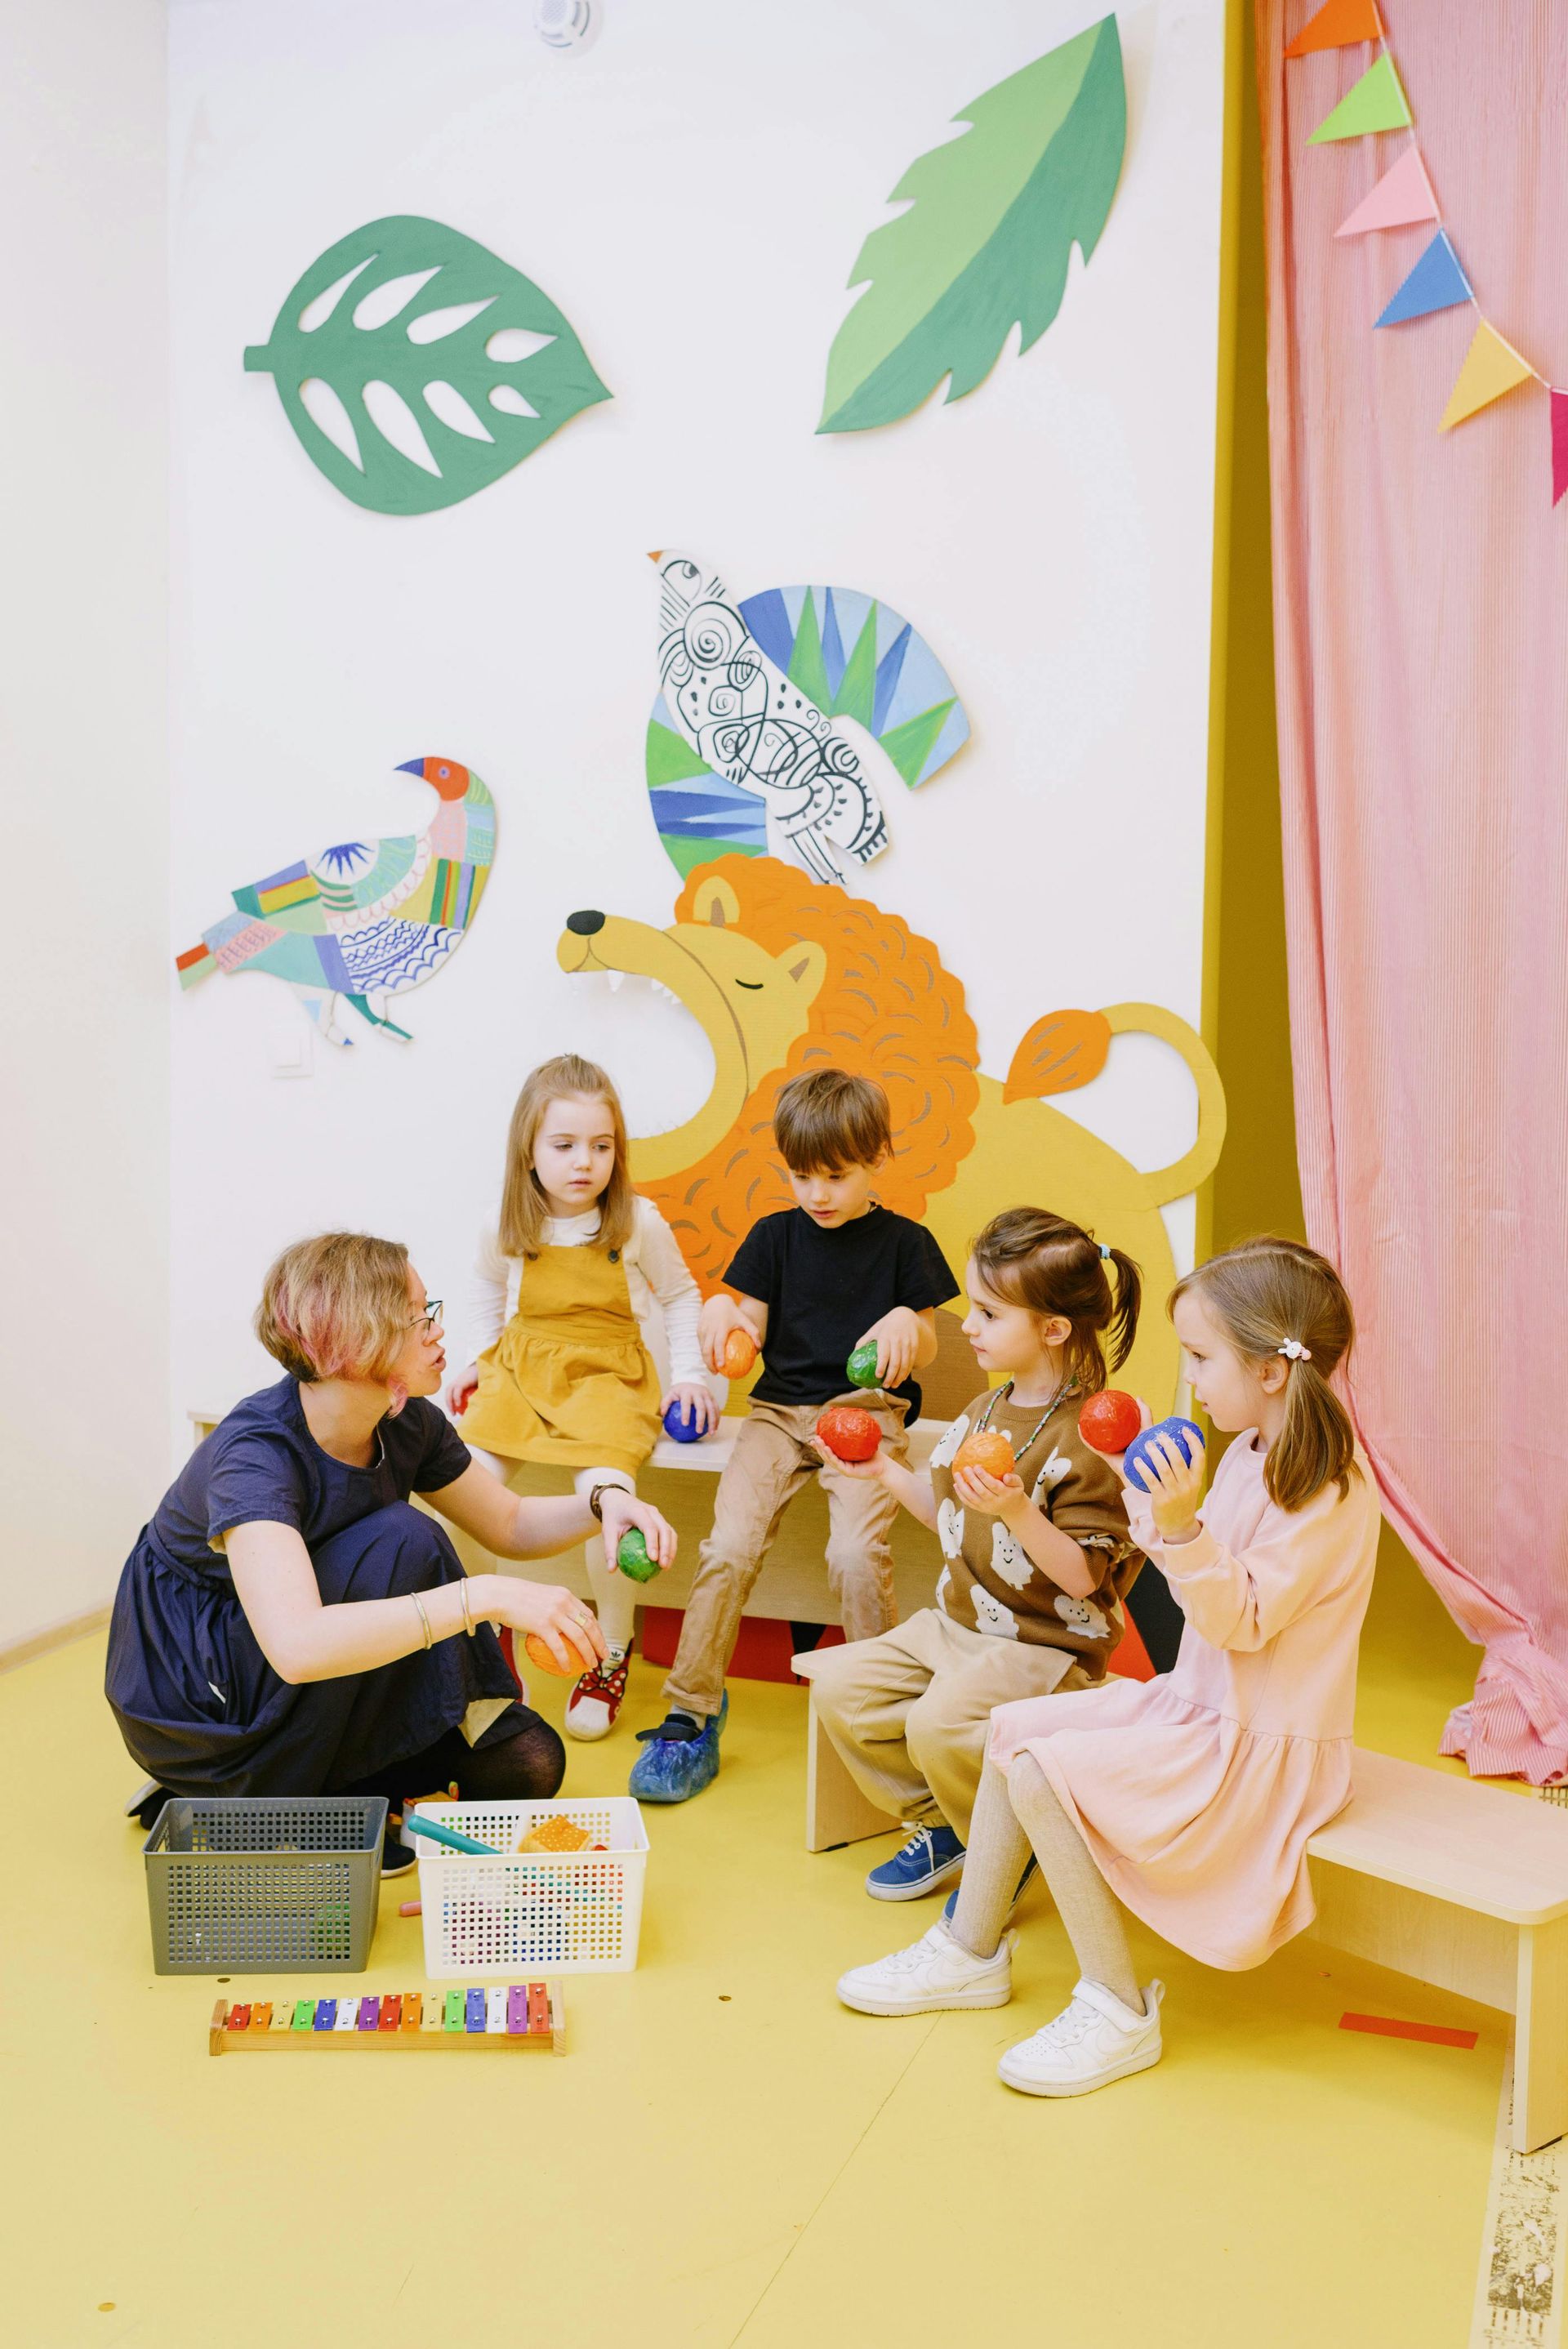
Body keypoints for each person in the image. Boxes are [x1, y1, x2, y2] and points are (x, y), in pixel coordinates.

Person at [835, 1237, 1381, 2100]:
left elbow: (1236, 1622)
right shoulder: (1247, 1453)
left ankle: (1119, 2008)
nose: (1192, 1377)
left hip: (1258, 1745)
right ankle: (971, 1950)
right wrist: (1151, 1498)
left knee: (1048, 1773)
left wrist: (1180, 1522)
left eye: (1203, 1357)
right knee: (1014, 1731)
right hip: (1198, 1707)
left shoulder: (1327, 1490)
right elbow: (1189, 1578)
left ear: (1272, 1370)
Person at [106, 1232, 675, 1865]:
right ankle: (232, 1787)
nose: (436, 1332)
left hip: (309, 1662)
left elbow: (509, 1522)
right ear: (355, 1342)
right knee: (405, 1536)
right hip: (204, 1686)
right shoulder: (255, 1456)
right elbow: (296, 1645)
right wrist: (485, 1596)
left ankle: (326, 1791)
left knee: (527, 1764)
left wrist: (603, 1504)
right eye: (418, 1318)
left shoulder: (407, 1421)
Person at [629, 1068, 959, 1804]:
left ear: (877, 1158)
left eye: (835, 1177)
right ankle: (690, 1712)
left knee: (853, 1552)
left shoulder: (907, 1243)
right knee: (729, 1549)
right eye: (801, 1175)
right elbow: (748, 1320)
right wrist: (724, 1316)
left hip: (867, 1411)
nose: (817, 1194)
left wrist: (912, 1324)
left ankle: (877, 1711)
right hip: (777, 1413)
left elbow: (928, 1343)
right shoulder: (776, 1236)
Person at [808, 1209, 1143, 1902]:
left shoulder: (1092, 1437)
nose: (968, 1325)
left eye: (989, 1313)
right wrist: (884, 1475)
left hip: (1043, 1647)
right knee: (840, 1691)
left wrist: (1019, 1508)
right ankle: (955, 1825)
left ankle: (1006, 1848)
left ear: (1052, 1329)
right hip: (958, 1626)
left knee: (937, 1726)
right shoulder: (985, 1410)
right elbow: (956, 1523)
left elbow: (1085, 1578)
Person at [448, 1054, 714, 1741]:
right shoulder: (503, 1223)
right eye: (564, 1146)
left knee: (610, 1500)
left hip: (607, 1376)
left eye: (601, 1146)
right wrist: (480, 1361)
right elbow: (481, 1290)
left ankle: (612, 1650)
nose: (583, 1162)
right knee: (459, 1496)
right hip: (519, 1369)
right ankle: (482, 1654)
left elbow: (684, 1296)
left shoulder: (638, 1222)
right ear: (529, 1152)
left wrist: (687, 1375)